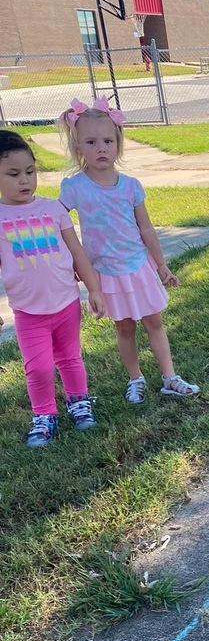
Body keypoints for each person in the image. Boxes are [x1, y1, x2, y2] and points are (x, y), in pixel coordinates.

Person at [57, 98, 199, 404]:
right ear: (78, 146)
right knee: (124, 328)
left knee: (154, 322)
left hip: (138, 266)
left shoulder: (131, 186)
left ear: (118, 143)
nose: (101, 148)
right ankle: (135, 378)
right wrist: (71, 264)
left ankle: (169, 377)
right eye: (91, 142)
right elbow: (58, 226)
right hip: (106, 272)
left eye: (108, 140)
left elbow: (146, 229)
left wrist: (161, 266)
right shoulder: (74, 188)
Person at [0, 130, 106, 446]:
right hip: (29, 311)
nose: (25, 181)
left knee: (70, 357)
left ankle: (79, 400)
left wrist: (95, 290)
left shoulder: (53, 209)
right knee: (39, 367)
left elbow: (77, 252)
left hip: (66, 303)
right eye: (13, 174)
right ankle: (44, 415)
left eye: (30, 172)